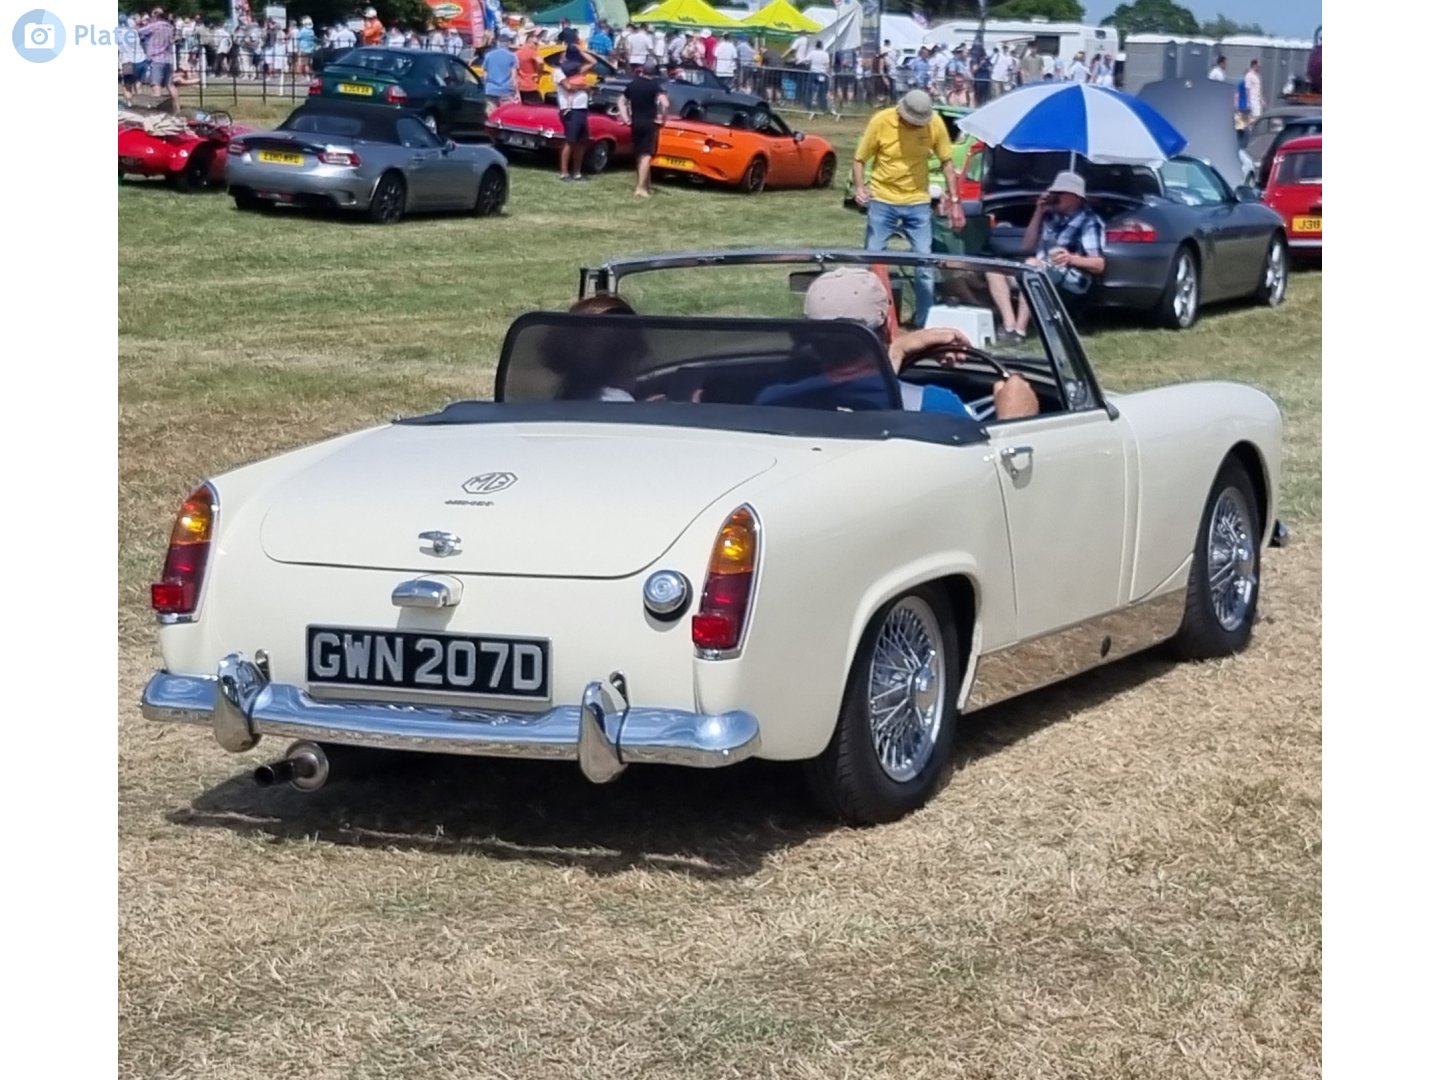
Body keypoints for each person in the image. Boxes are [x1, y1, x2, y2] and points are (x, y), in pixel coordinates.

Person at [754, 268, 1039, 420]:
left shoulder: (772, 401)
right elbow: (982, 476)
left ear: (810, 336)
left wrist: (898, 349)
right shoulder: (931, 406)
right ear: (887, 329)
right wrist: (1014, 421)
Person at [852, 90, 966, 328]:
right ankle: (873, 320)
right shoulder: (881, 121)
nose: (916, 125)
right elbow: (860, 159)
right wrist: (860, 188)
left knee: (924, 262)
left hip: (918, 202)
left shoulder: (934, 123)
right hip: (882, 200)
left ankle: (924, 321)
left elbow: (947, 162)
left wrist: (955, 202)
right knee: (874, 260)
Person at [985, 171, 1106, 340]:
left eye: (1060, 193)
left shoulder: (1089, 221)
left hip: (1072, 277)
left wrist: (1071, 258)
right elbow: (1027, 245)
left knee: (1032, 267)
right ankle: (1009, 325)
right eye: (1054, 193)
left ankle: (1020, 330)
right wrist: (1039, 211)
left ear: (1075, 197)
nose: (1055, 197)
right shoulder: (1051, 216)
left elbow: (1099, 264)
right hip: (1042, 268)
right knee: (994, 269)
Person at [620, 61, 670, 198]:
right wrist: (663, 119)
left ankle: (646, 184)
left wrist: (626, 118)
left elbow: (621, 101)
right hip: (649, 123)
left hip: (635, 122)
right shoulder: (654, 85)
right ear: (654, 72)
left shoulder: (633, 84)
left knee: (639, 154)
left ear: (642, 70)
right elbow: (665, 104)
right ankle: (640, 188)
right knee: (647, 155)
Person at [556, 46, 596, 182]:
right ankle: (564, 173)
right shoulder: (559, 71)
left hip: (582, 109)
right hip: (570, 109)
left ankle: (577, 172)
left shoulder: (577, 70)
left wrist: (581, 51)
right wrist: (585, 87)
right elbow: (568, 87)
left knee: (581, 141)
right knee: (570, 141)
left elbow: (593, 62)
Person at [139, 8, 179, 111]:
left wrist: (147, 22)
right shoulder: (169, 27)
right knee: (170, 86)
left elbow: (140, 31)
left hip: (156, 59)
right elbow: (172, 40)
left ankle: (158, 110)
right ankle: (177, 108)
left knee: (155, 86)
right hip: (167, 59)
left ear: (156, 16)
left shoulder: (154, 26)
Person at [483, 35, 518, 108]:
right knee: (505, 112)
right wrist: (515, 91)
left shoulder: (488, 55)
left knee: (491, 112)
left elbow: (485, 75)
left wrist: (485, 86)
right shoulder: (512, 56)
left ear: (498, 43)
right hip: (506, 90)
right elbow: (514, 77)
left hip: (491, 89)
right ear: (508, 43)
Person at [515, 31, 544, 104]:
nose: (537, 46)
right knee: (537, 107)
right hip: (531, 85)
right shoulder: (532, 51)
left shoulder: (517, 52)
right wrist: (539, 74)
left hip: (520, 86)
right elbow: (540, 62)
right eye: (536, 44)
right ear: (529, 42)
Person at [806, 40, 831, 116]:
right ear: (822, 46)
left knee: (810, 89)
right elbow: (827, 65)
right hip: (822, 73)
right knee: (822, 90)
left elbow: (807, 60)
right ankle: (823, 106)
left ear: (816, 46)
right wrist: (828, 72)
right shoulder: (825, 54)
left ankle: (808, 105)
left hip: (813, 72)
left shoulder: (812, 53)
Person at [1244, 59, 1265, 126]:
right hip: (1252, 100)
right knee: (1256, 118)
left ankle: (1248, 126)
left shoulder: (1258, 76)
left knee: (1257, 118)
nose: (1259, 68)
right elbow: (1247, 89)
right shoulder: (1249, 75)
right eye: (1258, 66)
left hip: (1257, 100)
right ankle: (1244, 125)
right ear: (1254, 65)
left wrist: (1262, 99)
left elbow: (1258, 89)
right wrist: (1248, 103)